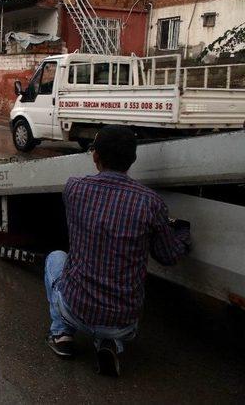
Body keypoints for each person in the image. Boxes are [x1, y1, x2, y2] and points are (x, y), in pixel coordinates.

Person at [44, 125, 191, 377]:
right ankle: (109, 342)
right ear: (132, 159)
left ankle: (61, 334)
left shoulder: (74, 189)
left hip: (75, 308)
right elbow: (167, 256)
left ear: (95, 156)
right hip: (123, 323)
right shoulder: (150, 202)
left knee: (56, 258)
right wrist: (182, 235)